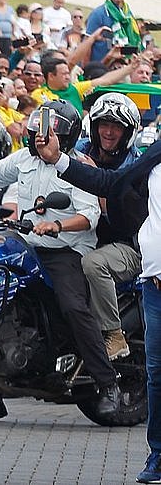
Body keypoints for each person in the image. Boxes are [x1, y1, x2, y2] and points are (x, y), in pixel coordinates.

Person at [0, 99, 120, 421]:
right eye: (37, 127)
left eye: (48, 129)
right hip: (28, 244)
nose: (39, 134)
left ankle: (108, 383)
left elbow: (89, 216)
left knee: (73, 306)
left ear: (66, 134)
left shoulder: (79, 166)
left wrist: (57, 225)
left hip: (66, 249)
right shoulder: (24, 159)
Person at [33, 110, 161, 483]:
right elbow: (109, 181)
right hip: (155, 285)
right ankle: (158, 456)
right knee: (155, 375)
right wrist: (58, 159)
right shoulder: (154, 156)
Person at [75, 92, 143, 360]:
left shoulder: (135, 166)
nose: (109, 131)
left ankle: (114, 335)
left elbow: (119, 217)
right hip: (80, 237)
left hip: (127, 245)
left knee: (94, 264)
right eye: (104, 124)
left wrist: (94, 180)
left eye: (116, 126)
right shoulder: (77, 151)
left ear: (127, 132)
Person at [86, 0, 142, 65]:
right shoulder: (98, 13)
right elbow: (87, 43)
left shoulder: (128, 14)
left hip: (122, 65)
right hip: (100, 66)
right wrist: (86, 69)